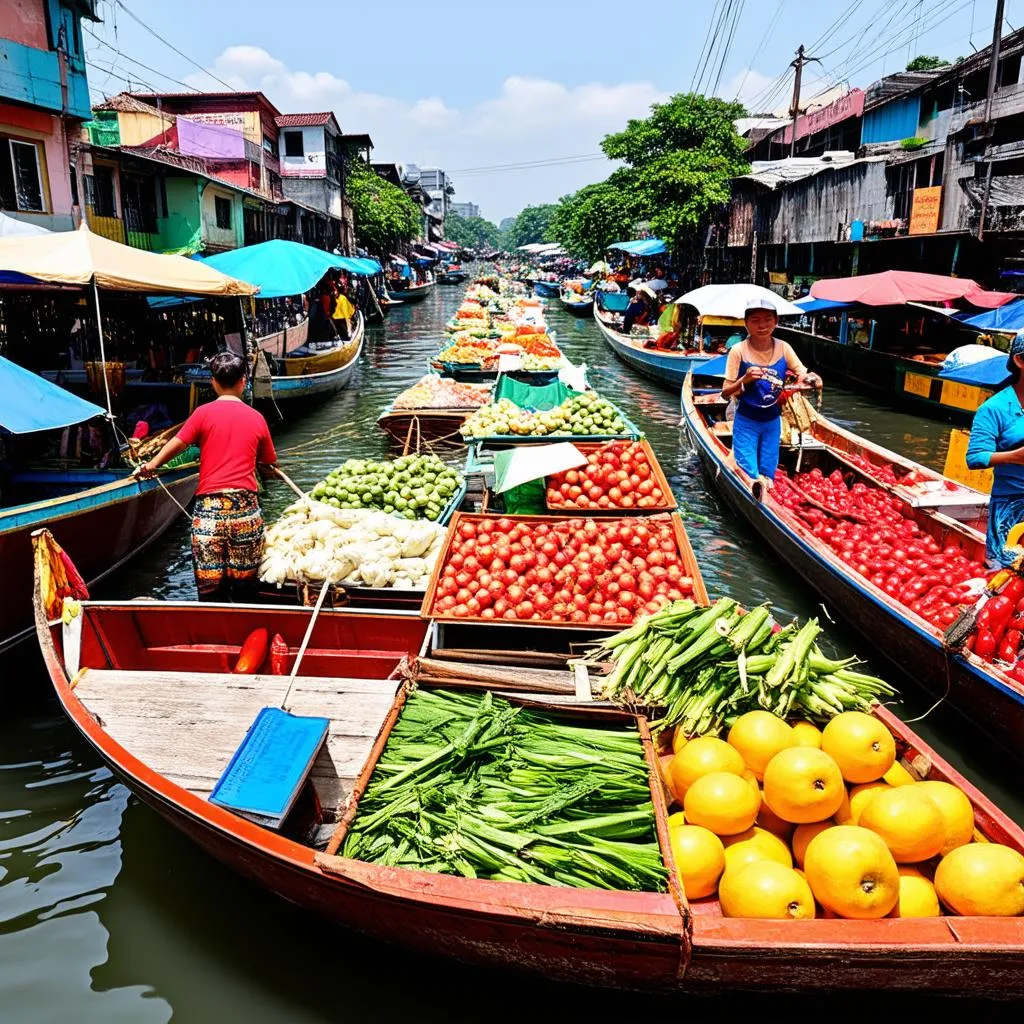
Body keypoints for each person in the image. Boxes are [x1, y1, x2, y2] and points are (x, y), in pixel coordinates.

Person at [139, 351, 278, 602]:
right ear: (243, 381)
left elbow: (178, 443)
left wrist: (151, 465)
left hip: (209, 513)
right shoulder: (257, 418)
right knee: (244, 588)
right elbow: (269, 463)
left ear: (213, 382)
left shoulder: (202, 414)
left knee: (210, 589)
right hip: (244, 512)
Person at [721, 298, 821, 487]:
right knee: (748, 470)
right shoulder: (738, 351)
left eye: (768, 319)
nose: (762, 325)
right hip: (746, 420)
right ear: (746, 324)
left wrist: (812, 379)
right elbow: (725, 392)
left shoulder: (784, 348)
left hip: (773, 421)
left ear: (776, 322)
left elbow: (802, 374)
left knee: (768, 472)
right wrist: (745, 380)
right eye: (755, 320)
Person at [966, 332, 1024, 566]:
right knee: (1008, 572)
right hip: (1011, 504)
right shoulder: (994, 408)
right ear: (1020, 361)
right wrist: (1015, 457)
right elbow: (975, 457)